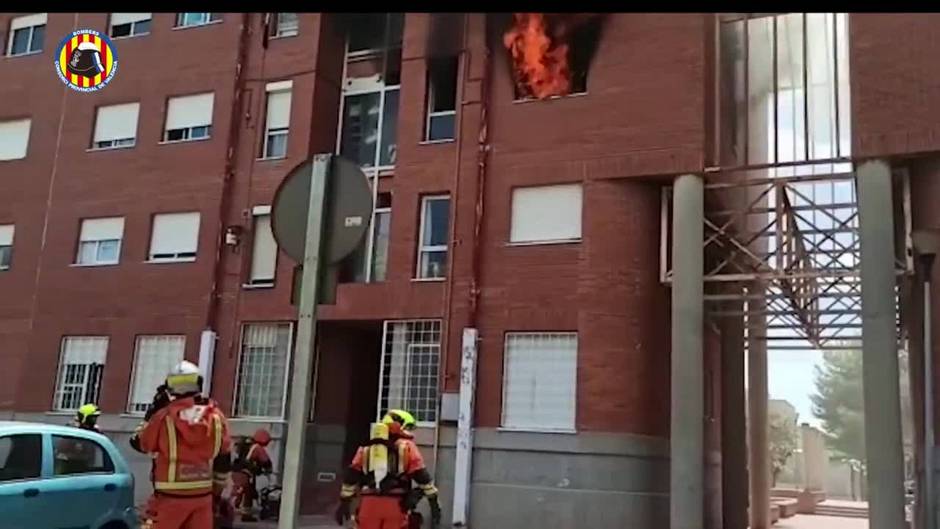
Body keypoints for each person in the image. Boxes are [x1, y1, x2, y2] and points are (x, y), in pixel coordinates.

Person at [131, 360, 232, 529]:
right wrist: (216, 494)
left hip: (169, 499)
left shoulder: (163, 417)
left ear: (169, 387)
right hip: (202, 498)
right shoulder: (216, 417)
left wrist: (152, 412)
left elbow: (139, 443)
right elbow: (224, 459)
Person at [335, 409, 442, 529]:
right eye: (408, 427)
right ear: (399, 425)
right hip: (396, 504)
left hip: (368, 504)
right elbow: (422, 477)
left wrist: (344, 503)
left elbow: (351, 477)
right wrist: (434, 504)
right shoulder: (407, 447)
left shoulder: (365, 448)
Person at [231, 428, 274, 522]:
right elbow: (266, 461)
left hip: (237, 472)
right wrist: (267, 470)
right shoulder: (257, 448)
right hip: (245, 474)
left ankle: (244, 514)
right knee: (244, 493)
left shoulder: (247, 446)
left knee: (245, 492)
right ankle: (235, 512)